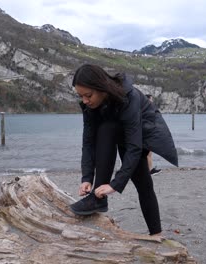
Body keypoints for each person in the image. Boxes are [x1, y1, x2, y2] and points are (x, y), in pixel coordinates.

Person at [69, 64, 178, 237]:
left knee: (143, 184)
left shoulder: (130, 97)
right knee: (107, 128)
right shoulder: (90, 105)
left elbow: (134, 147)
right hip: (116, 130)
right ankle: (97, 199)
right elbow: (88, 142)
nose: (85, 101)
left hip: (142, 130)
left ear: (101, 88)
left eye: (88, 95)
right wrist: (86, 178)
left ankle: (156, 235)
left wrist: (115, 185)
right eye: (80, 96)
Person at [145, 94, 162, 175]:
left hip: (148, 132)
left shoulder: (146, 108)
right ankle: (149, 170)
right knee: (148, 153)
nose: (152, 101)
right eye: (151, 99)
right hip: (147, 133)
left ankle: (148, 170)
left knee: (148, 153)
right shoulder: (146, 109)